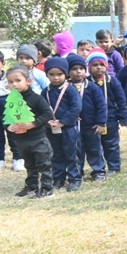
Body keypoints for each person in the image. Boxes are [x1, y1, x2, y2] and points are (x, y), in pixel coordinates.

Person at [5, 66, 55, 198]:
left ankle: (47, 189)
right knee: (29, 165)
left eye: (18, 80)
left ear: (28, 81)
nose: (14, 84)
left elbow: (47, 114)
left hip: (38, 139)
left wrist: (33, 124)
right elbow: (5, 117)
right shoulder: (11, 100)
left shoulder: (36, 98)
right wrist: (8, 126)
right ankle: (31, 187)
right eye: (10, 82)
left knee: (44, 165)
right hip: (21, 140)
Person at [43, 57, 82, 192]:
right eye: (51, 74)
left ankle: (74, 179)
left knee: (71, 154)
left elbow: (76, 107)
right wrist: (47, 120)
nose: (55, 78)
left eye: (59, 74)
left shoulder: (70, 90)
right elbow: (42, 108)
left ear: (65, 74)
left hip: (68, 128)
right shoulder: (46, 91)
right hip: (52, 128)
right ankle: (58, 178)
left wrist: (63, 121)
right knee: (56, 154)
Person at [67, 54, 107, 183]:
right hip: (73, 126)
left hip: (91, 126)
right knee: (76, 150)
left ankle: (99, 171)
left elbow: (101, 105)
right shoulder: (66, 88)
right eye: (74, 69)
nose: (78, 71)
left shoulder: (92, 87)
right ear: (67, 71)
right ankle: (78, 172)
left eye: (81, 68)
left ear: (85, 70)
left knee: (94, 149)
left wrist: (101, 122)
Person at [87, 49, 126, 175]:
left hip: (110, 118)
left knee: (111, 144)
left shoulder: (112, 81)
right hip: (92, 119)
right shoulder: (86, 83)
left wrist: (122, 116)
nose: (98, 68)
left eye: (101, 65)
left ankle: (114, 167)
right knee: (94, 145)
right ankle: (98, 168)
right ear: (89, 67)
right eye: (95, 65)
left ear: (107, 66)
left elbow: (121, 99)